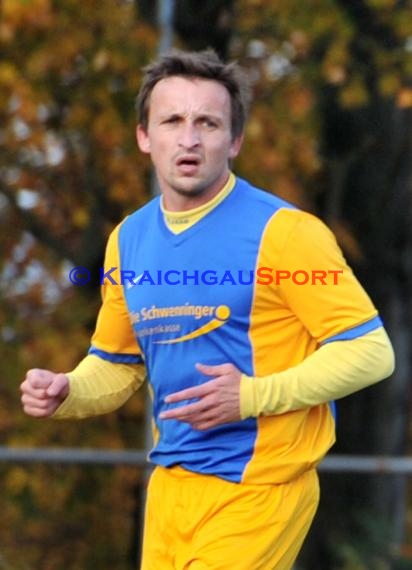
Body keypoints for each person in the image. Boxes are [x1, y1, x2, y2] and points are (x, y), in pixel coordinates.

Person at [20, 49, 395, 570]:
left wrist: (252, 396)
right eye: (172, 120)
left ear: (234, 140)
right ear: (144, 137)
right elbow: (117, 364)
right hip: (170, 488)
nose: (190, 138)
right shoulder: (127, 241)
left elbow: (371, 351)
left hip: (261, 487)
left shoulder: (288, 234)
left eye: (208, 123)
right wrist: (69, 390)